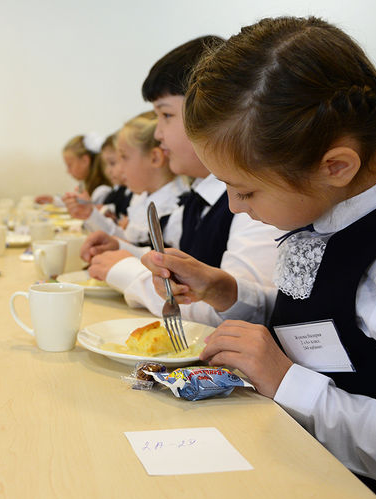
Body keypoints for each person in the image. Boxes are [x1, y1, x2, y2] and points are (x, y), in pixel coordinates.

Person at [140, 17, 376, 499]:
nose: (232, 207)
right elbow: (338, 330)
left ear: (336, 166)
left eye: (245, 189)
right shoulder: (328, 210)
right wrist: (232, 294)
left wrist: (292, 385)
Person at [81, 36, 281, 327]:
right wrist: (125, 249)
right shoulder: (198, 197)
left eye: (165, 115)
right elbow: (191, 273)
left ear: (210, 113)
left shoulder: (254, 199)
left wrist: (128, 272)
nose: (159, 134)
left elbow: (240, 312)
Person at [69, 115, 186, 246]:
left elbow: (155, 259)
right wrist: (91, 213)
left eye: (124, 157)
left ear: (155, 158)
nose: (120, 168)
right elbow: (128, 241)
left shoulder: (176, 209)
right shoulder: (141, 198)